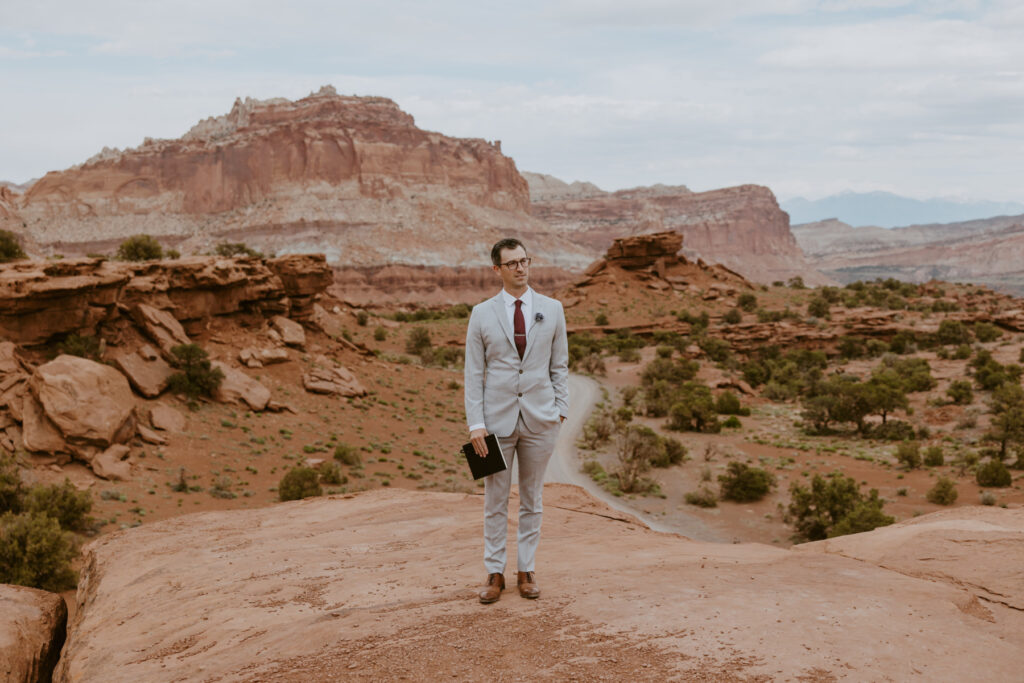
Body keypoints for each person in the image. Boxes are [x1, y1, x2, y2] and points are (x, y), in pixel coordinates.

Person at [464, 237, 569, 604]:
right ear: (497, 269)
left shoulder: (553, 309)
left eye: (525, 261)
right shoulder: (481, 313)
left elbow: (560, 365)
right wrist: (475, 424)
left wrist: (561, 410)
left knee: (532, 499)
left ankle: (526, 570)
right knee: (494, 500)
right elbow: (473, 373)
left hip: (541, 420)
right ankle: (495, 573)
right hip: (494, 424)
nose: (521, 268)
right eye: (512, 263)